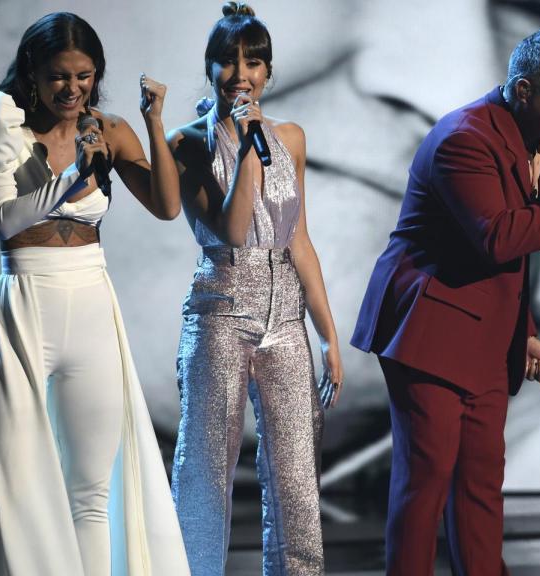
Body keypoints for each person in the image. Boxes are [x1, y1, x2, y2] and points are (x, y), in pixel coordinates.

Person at [352, 28, 540, 575]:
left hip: (484, 335)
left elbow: (505, 264)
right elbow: (497, 236)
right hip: (428, 331)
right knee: (425, 483)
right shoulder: (464, 139)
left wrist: (521, 330)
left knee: (480, 485)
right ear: (524, 90)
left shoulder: (528, 136)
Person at [0, 12, 189, 576]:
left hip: (89, 302)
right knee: (12, 486)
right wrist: (74, 177)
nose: (73, 88)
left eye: (84, 76)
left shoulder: (106, 132)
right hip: (23, 307)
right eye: (60, 76)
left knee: (91, 488)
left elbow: (167, 205)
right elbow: (4, 219)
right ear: (32, 71)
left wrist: (153, 123)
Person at [167, 3, 344, 574]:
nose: (241, 74)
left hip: (285, 317)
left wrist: (328, 334)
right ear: (209, 68)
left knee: (296, 478)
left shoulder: (288, 138)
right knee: (206, 472)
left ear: (269, 72)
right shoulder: (187, 143)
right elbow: (235, 229)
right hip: (221, 311)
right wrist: (244, 148)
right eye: (228, 61)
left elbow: (300, 241)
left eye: (254, 62)